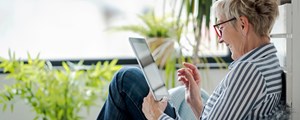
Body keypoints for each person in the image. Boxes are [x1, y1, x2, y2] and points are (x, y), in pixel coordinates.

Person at [98, 0, 284, 119]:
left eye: (220, 27)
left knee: (125, 79)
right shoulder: (264, 63)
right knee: (127, 80)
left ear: (243, 25)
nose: (220, 37)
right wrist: (196, 103)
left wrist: (157, 117)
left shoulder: (250, 71)